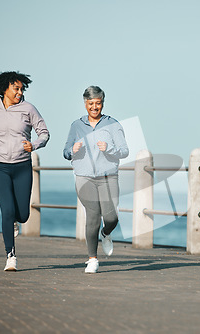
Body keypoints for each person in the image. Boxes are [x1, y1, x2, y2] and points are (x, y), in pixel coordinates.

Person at [0, 71, 50, 271]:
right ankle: (10, 255)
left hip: (22, 167)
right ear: (4, 89)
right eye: (16, 88)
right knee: (7, 210)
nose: (20, 92)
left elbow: (44, 133)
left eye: (21, 89)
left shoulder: (28, 109)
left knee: (23, 214)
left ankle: (15, 221)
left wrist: (34, 145)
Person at [63, 86, 129, 274]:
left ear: (102, 103)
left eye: (97, 103)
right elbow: (65, 151)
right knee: (92, 216)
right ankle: (92, 259)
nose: (94, 107)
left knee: (111, 217)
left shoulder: (113, 124)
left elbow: (124, 151)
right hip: (84, 178)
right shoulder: (76, 125)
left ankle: (106, 233)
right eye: (91, 103)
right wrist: (72, 151)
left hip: (108, 177)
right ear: (85, 104)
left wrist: (109, 148)